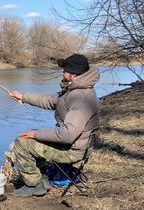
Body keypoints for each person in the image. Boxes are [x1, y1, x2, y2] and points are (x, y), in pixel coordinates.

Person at [9, 54, 100, 197]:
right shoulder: (76, 90)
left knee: (21, 143)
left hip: (71, 151)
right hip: (76, 145)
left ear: (74, 74)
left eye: (65, 70)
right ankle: (43, 175)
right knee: (32, 134)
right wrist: (23, 97)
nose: (62, 72)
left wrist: (36, 134)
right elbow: (51, 100)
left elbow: (67, 134)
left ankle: (34, 185)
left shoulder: (80, 99)